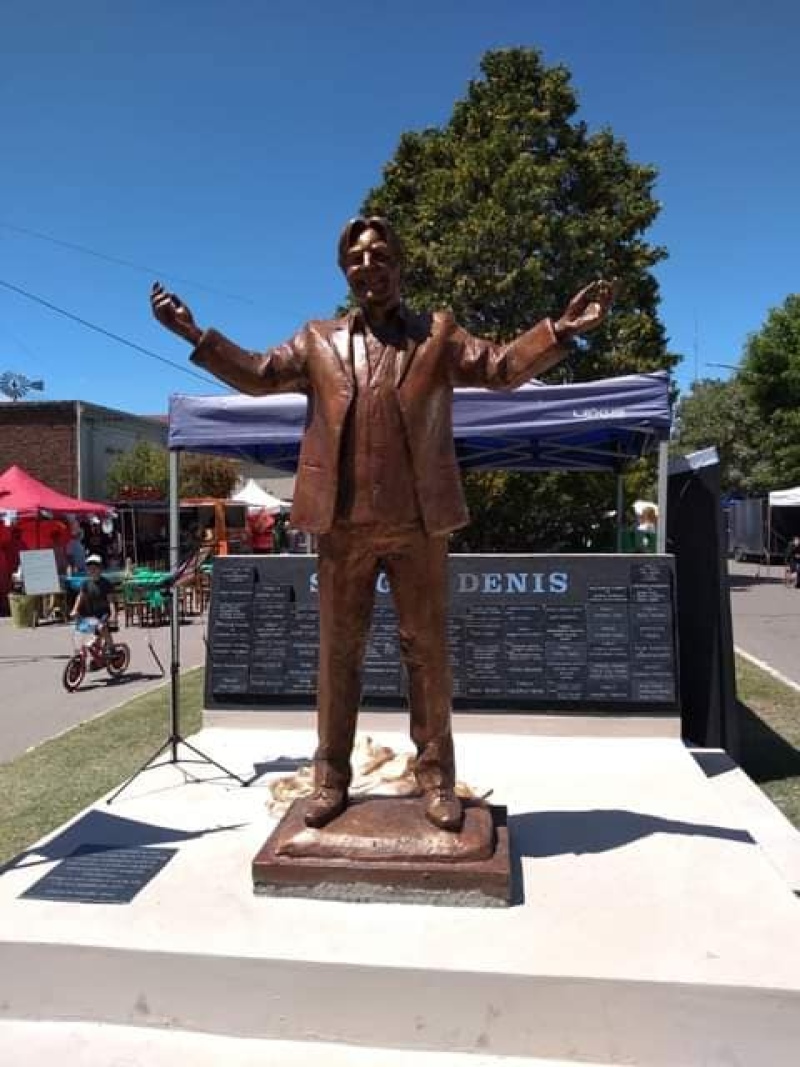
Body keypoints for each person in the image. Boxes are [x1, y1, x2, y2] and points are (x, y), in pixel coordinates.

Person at [151, 216, 612, 831]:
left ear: (399, 264)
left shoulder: (439, 334)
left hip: (419, 523)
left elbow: (501, 367)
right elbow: (260, 375)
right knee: (338, 656)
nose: (369, 266)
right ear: (346, 273)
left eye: (380, 254)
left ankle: (438, 779)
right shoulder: (318, 340)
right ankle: (331, 778)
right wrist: (195, 334)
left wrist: (557, 330)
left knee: (427, 654)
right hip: (342, 527)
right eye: (357, 259)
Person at [70, 554, 118, 650]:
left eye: (95, 568)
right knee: (81, 631)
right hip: (90, 613)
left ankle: (111, 648)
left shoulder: (106, 584)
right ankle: (97, 657)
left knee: (101, 628)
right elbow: (80, 597)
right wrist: (74, 609)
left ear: (100, 569)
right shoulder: (85, 583)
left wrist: (113, 614)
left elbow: (110, 601)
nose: (92, 570)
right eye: (89, 568)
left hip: (103, 613)